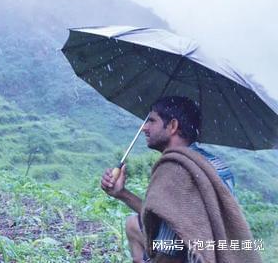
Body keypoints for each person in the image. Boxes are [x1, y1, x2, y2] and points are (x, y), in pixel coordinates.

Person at [101, 96, 260, 263]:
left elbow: (168, 249)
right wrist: (122, 193)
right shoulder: (217, 165)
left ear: (172, 126)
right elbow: (168, 216)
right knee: (133, 223)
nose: (144, 128)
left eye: (152, 121)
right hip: (218, 252)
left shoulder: (174, 170)